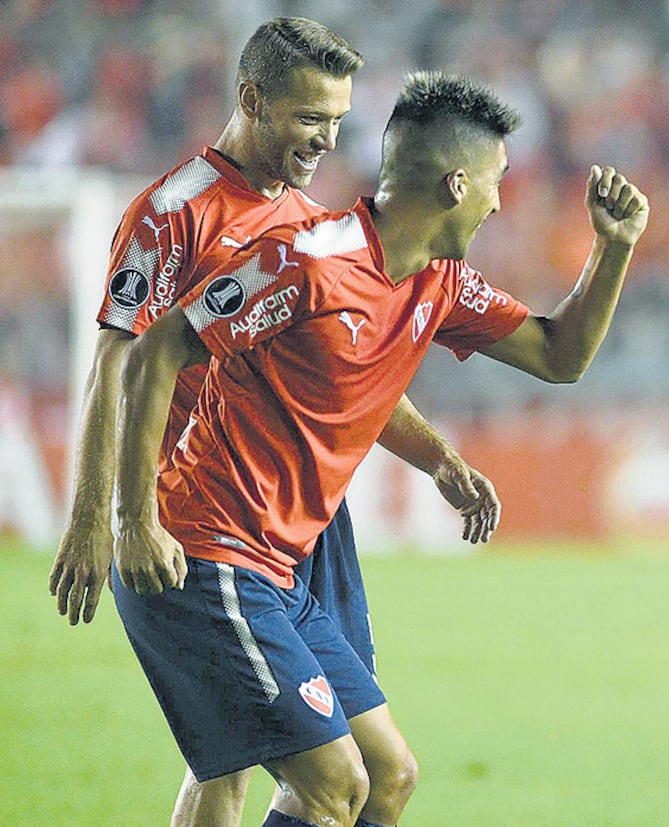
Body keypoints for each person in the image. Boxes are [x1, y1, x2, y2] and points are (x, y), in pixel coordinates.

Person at [109, 69, 649, 827]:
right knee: (330, 784)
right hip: (207, 552)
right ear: (457, 183)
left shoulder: (442, 282)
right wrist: (135, 519)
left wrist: (613, 249)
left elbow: (559, 356)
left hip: (279, 569)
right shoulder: (307, 260)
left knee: (387, 776)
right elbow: (154, 351)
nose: (500, 200)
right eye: (496, 181)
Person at [47, 18, 498, 827]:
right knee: (262, 761)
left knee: (358, 768)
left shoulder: (313, 223)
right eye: (307, 117)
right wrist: (105, 516)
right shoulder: (173, 213)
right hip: (208, 513)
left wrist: (436, 458)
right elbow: (117, 362)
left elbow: (354, 369)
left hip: (306, 519)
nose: (325, 139)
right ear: (251, 100)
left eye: (335, 120)